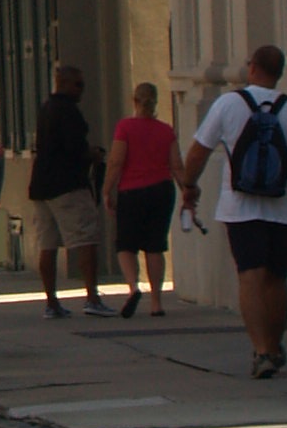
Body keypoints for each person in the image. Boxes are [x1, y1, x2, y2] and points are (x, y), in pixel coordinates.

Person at [179, 43, 287, 379]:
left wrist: (189, 186)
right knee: (277, 279)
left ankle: (260, 350)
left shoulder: (228, 104)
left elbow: (199, 151)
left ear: (253, 67)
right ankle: (274, 346)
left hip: (240, 209)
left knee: (250, 276)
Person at [29, 63, 103, 312]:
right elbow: (74, 148)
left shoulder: (46, 109)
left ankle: (51, 301)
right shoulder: (68, 111)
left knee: (47, 244)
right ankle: (92, 298)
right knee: (85, 239)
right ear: (65, 84)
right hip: (68, 185)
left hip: (41, 185)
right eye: (78, 84)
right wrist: (92, 155)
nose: (82, 90)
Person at [104, 83, 180, 315]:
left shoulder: (125, 127)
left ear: (133, 100)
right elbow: (176, 164)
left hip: (132, 191)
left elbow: (116, 161)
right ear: (155, 101)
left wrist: (107, 189)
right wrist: (188, 187)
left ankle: (133, 287)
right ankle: (156, 302)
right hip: (162, 190)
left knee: (126, 244)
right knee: (155, 246)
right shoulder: (166, 130)